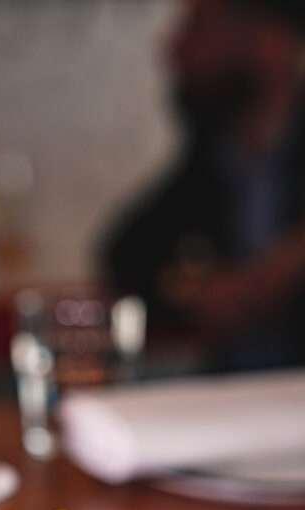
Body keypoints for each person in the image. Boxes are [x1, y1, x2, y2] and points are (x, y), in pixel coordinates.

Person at [95, 0, 305, 372]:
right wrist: (201, 292)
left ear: (271, 41)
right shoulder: (214, 158)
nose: (175, 49)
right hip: (235, 399)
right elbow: (124, 256)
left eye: (201, 30)